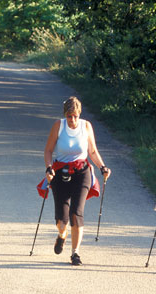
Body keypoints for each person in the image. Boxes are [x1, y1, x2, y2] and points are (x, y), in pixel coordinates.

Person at [43, 96, 111, 266]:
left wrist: (103, 167)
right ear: (65, 115)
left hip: (82, 172)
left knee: (76, 213)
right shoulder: (58, 126)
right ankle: (62, 234)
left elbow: (93, 151)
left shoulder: (86, 126)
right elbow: (48, 150)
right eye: (69, 116)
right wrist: (49, 167)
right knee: (61, 219)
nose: (72, 120)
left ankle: (75, 253)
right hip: (60, 173)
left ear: (79, 114)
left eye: (75, 115)